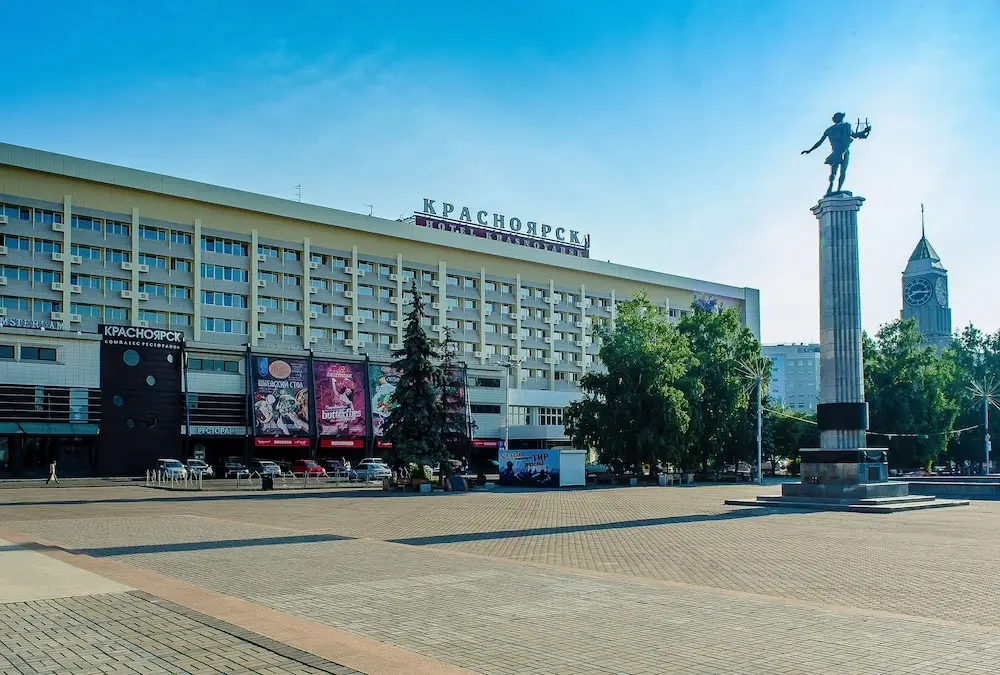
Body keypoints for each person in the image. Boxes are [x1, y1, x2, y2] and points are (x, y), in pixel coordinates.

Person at [802, 112, 871, 196]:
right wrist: (809, 150)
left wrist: (864, 131)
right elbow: (854, 135)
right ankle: (834, 188)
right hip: (840, 152)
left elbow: (854, 135)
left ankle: (835, 189)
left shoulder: (834, 128)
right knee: (840, 171)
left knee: (837, 172)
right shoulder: (841, 127)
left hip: (839, 151)